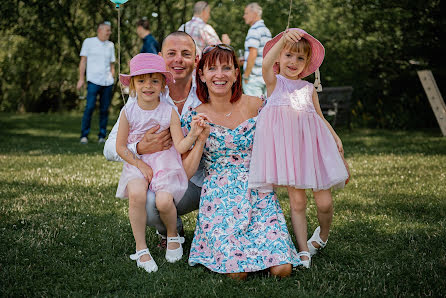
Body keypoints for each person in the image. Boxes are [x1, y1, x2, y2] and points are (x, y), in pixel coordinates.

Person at [181, 44, 300, 280]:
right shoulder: (194, 115)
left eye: (227, 67)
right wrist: (200, 139)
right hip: (219, 197)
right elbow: (185, 172)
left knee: (282, 270)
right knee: (236, 273)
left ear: (236, 72)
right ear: (202, 75)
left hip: (259, 192)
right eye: (212, 68)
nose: (220, 74)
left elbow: (285, 139)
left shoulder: (259, 105)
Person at [247, 28, 350, 269]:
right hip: (289, 154)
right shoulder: (274, 83)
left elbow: (320, 117)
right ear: (279, 58)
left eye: (300, 58)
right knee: (298, 202)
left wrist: (336, 138)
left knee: (324, 203)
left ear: (306, 65)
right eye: (288, 56)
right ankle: (303, 248)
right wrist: (283, 38)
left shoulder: (308, 89)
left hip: (313, 151)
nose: (293, 62)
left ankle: (322, 236)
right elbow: (265, 64)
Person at [104, 31, 203, 247]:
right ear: (160, 58)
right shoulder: (144, 95)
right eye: (171, 53)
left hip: (200, 181)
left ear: (196, 60)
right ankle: (171, 231)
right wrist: (139, 147)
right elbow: (110, 148)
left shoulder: (206, 92)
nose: (178, 59)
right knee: (148, 202)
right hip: (160, 175)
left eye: (186, 54)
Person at [116, 53, 208, 273]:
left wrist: (194, 134)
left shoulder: (169, 112)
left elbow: (180, 146)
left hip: (165, 163)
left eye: (154, 80)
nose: (148, 86)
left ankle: (173, 234)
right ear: (133, 85)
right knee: (137, 195)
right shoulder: (128, 112)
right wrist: (140, 164)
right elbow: (120, 147)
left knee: (165, 201)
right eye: (141, 80)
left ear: (163, 84)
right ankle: (141, 249)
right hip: (138, 163)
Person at [77, 22, 116, 144]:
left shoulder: (111, 45)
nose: (109, 32)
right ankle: (84, 135)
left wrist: (112, 76)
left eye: (109, 30)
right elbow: (83, 61)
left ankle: (102, 136)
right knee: (89, 108)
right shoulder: (88, 42)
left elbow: (112, 64)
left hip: (107, 82)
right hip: (93, 81)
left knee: (104, 110)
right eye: (107, 30)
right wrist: (81, 79)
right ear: (100, 30)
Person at [242, 3, 271, 97]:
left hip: (253, 79)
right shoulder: (266, 31)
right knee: (265, 108)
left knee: (254, 109)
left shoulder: (254, 30)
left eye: (246, 13)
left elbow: (253, 53)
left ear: (254, 14)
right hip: (265, 77)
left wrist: (246, 75)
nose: (244, 16)